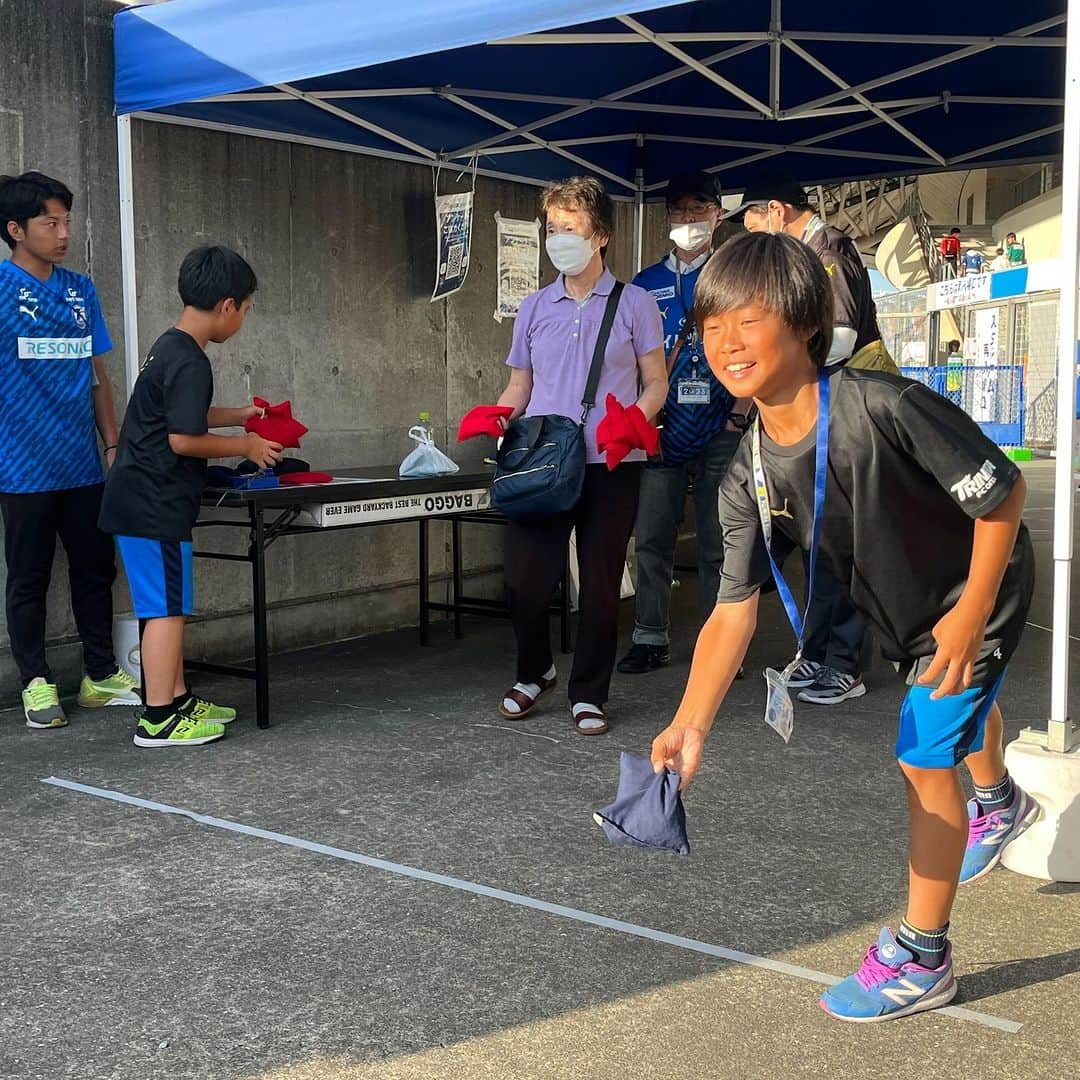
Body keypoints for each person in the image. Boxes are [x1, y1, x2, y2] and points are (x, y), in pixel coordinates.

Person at [650, 231, 1036, 1023]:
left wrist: (967, 620)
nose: (726, 343)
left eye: (748, 321)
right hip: (905, 608)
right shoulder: (747, 473)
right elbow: (732, 608)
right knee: (960, 706)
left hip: (978, 589)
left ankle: (925, 957)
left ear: (802, 325)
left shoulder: (882, 404)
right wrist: (689, 724)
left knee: (923, 754)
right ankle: (998, 800)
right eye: (710, 325)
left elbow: (1002, 493)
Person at [460, 177, 667, 735]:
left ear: (599, 235)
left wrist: (634, 421)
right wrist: (498, 414)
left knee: (600, 584)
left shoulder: (637, 304)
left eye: (568, 228)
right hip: (542, 459)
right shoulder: (534, 305)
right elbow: (519, 385)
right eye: (552, 229)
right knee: (525, 580)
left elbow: (656, 383)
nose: (558, 239)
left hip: (611, 461)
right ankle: (536, 672)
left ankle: (589, 692)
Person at [98, 246, 282, 747]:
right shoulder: (192, 362)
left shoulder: (171, 346)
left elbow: (183, 415)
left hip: (143, 502)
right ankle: (158, 718)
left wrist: (239, 414)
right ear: (227, 306)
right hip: (152, 504)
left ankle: (176, 698)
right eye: (245, 308)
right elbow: (182, 438)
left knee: (170, 606)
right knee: (163, 611)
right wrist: (246, 444)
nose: (243, 318)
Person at [736, 175, 899, 705]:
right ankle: (818, 652)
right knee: (819, 541)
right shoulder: (800, 256)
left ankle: (846, 662)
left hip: (847, 412)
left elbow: (843, 334)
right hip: (815, 415)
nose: (750, 232)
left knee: (847, 542)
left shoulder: (827, 249)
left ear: (779, 210)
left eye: (754, 220)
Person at [0, 171, 141, 729]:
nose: (62, 233)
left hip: (82, 463)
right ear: (15, 229)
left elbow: (97, 373)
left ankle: (100, 674)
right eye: (48, 223)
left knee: (94, 570)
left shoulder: (81, 290)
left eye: (66, 221)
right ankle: (35, 682)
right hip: (19, 467)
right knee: (28, 577)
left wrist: (111, 442)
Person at [617, 171, 748, 675]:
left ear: (718, 215)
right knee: (652, 537)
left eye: (699, 209)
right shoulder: (646, 284)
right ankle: (650, 635)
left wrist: (739, 415)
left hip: (721, 426)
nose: (688, 219)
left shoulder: (735, 275)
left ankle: (721, 648)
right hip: (661, 427)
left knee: (720, 541)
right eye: (679, 210)